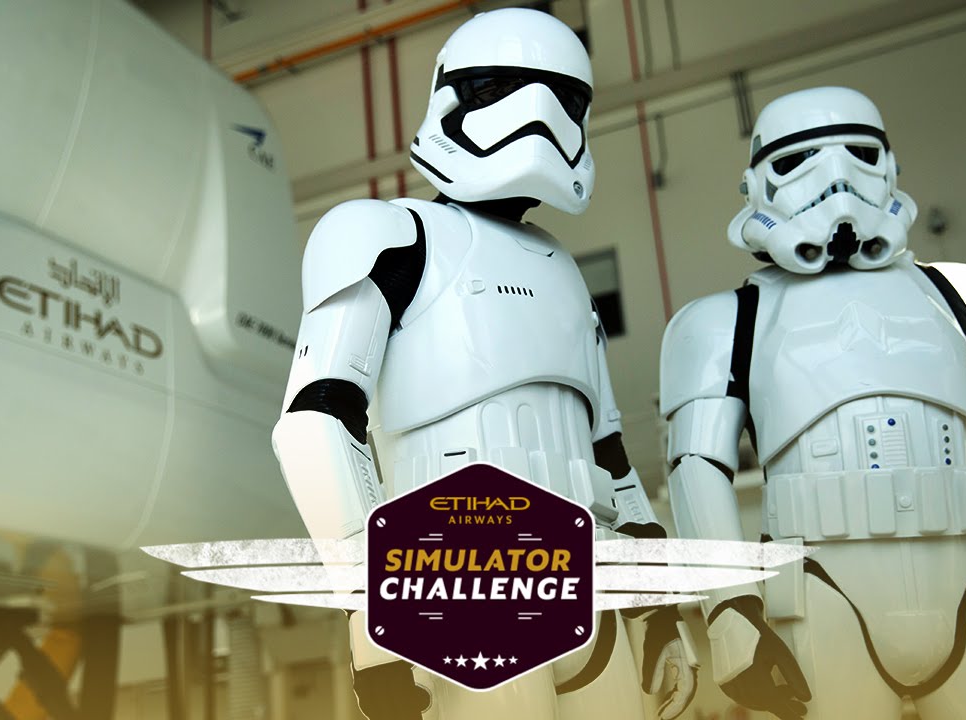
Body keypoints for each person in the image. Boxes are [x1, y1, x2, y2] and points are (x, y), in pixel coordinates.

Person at [273, 9, 696, 720]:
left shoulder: (564, 271)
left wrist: (657, 611)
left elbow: (613, 461)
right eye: (502, 89)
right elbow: (316, 424)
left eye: (564, 100)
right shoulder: (388, 235)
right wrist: (371, 618)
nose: (538, 119)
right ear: (451, 98)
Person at [659, 86, 966, 719]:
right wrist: (730, 613)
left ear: (890, 166)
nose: (837, 179)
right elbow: (696, 469)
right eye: (798, 160)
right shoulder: (724, 321)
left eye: (858, 153)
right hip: (820, 594)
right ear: (756, 185)